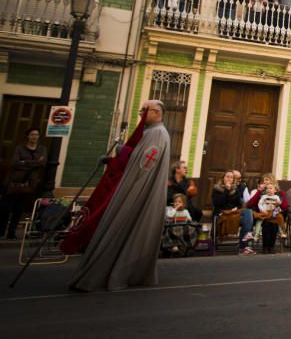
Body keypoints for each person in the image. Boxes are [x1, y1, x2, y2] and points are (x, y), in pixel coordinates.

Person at [69, 100, 172, 292]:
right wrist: (112, 159)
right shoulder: (150, 132)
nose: (140, 113)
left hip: (137, 191)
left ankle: (113, 273)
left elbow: (144, 163)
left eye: (144, 110)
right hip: (132, 186)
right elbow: (137, 158)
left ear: (156, 113)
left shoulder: (157, 133)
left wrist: (120, 150)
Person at [1, 127, 47, 239]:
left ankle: (11, 232)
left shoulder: (42, 149)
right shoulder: (20, 148)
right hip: (15, 182)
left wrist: (24, 162)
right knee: (5, 208)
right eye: (32, 134)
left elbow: (42, 163)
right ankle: (1, 231)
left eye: (36, 134)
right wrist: (34, 162)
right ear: (28, 136)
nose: (34, 137)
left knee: (19, 210)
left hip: (29, 184)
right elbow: (15, 163)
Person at [212, 170, 255, 255]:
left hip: (233, 213)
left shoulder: (235, 189)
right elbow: (217, 203)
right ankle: (244, 245)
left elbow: (239, 204)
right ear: (223, 178)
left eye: (231, 177)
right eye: (227, 176)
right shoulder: (216, 188)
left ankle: (243, 246)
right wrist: (226, 191)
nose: (229, 179)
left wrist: (235, 209)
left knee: (248, 212)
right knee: (247, 219)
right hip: (222, 214)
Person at [244, 175, 287, 254]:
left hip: (275, 214)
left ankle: (271, 247)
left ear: (273, 182)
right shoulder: (260, 192)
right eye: (264, 181)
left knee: (274, 225)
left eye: (267, 180)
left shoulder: (279, 193)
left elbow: (284, 207)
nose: (265, 183)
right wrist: (259, 191)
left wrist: (279, 204)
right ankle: (265, 247)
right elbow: (249, 205)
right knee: (266, 225)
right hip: (263, 215)